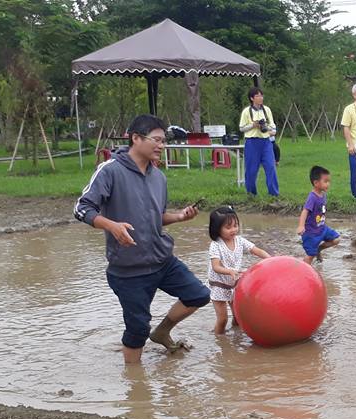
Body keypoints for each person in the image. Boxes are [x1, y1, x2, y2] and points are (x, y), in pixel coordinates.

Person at [73, 114, 210, 363]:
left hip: (162, 260)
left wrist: (179, 217)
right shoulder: (110, 171)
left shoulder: (158, 177)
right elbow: (81, 208)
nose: (162, 146)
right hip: (128, 270)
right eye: (156, 140)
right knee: (137, 331)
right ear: (136, 138)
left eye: (164, 141)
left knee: (199, 295)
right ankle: (135, 387)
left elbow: (155, 217)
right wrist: (111, 225)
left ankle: (163, 331)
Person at [207, 206, 271, 334]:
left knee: (238, 317)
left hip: (234, 284)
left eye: (236, 225)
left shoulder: (240, 240)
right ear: (217, 229)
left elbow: (256, 250)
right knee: (223, 319)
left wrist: (271, 260)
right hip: (219, 286)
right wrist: (229, 271)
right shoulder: (216, 245)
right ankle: (220, 340)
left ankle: (237, 336)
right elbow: (216, 266)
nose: (233, 230)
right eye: (228, 227)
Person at [238, 87, 278, 196]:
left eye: (261, 95)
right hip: (252, 142)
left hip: (266, 142)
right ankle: (251, 194)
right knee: (251, 170)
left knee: (271, 167)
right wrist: (253, 125)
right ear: (252, 98)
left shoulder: (267, 110)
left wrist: (271, 130)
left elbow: (272, 125)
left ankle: (274, 193)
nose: (261, 98)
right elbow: (241, 128)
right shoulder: (247, 111)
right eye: (258, 96)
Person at [297, 166, 340, 263]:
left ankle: (319, 249)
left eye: (329, 181)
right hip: (311, 233)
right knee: (309, 257)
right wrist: (301, 226)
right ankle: (303, 271)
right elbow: (305, 211)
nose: (328, 184)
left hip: (322, 228)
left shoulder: (323, 194)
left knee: (336, 239)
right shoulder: (312, 197)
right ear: (316, 183)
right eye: (325, 181)